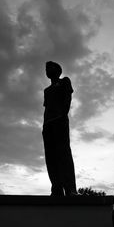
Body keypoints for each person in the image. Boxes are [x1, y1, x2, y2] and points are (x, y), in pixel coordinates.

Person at [42, 61, 77, 196]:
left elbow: (67, 99)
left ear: (58, 69)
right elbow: (47, 108)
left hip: (60, 121)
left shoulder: (64, 82)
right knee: (50, 157)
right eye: (46, 68)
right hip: (47, 125)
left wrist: (63, 115)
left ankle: (70, 188)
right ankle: (56, 188)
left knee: (63, 154)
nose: (47, 69)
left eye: (50, 67)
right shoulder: (47, 91)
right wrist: (45, 125)